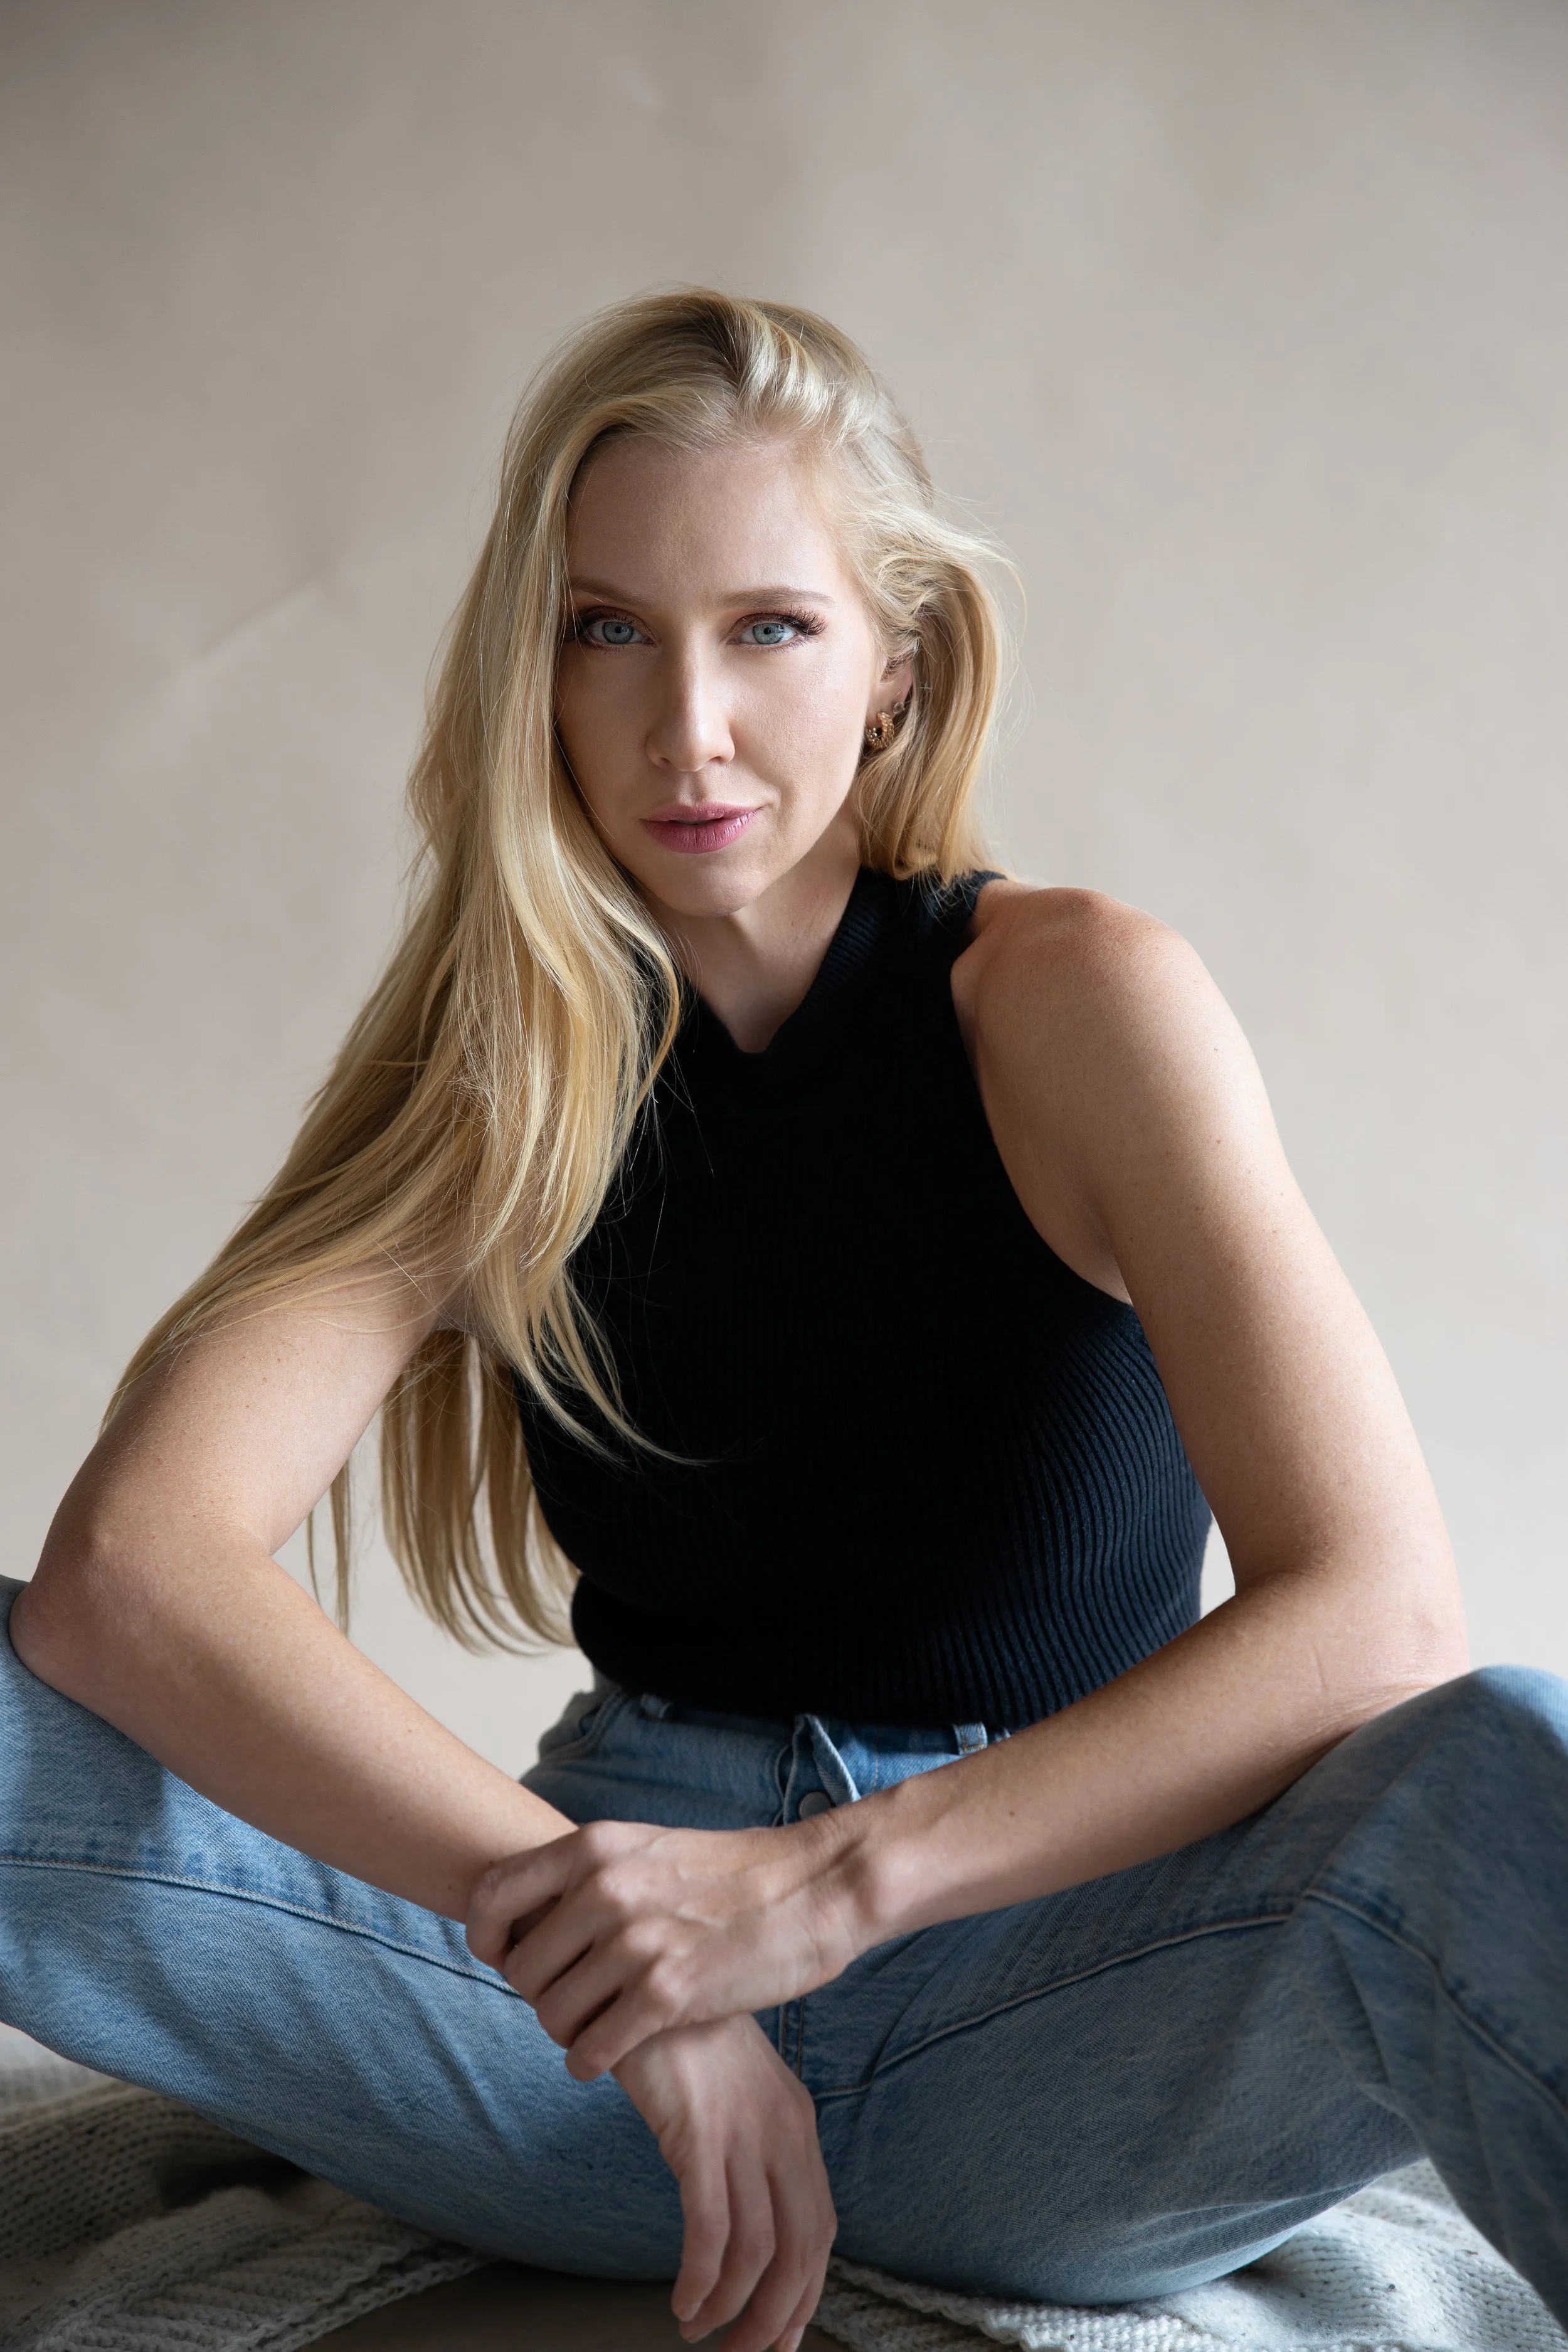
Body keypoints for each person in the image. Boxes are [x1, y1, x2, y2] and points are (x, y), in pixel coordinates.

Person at [4, 289, 1564, 2352]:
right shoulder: (500, 1066)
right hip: (582, 2036)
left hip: (1056, 2004)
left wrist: (818, 1888)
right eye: (608, 629)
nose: (688, 727)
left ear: (894, 667)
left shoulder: (1075, 1002)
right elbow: (128, 1574)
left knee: (1504, 1765)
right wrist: (628, 1965)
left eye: (768, 627)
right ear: (534, 668)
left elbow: (1376, 1614)